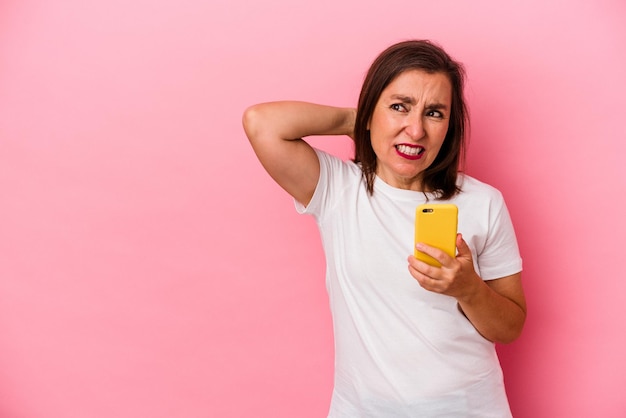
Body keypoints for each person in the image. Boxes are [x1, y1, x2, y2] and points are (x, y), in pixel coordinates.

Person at [242, 40, 526, 418]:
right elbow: (261, 122)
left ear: (449, 126)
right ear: (371, 109)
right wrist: (355, 122)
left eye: (435, 113)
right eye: (398, 107)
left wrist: (469, 289)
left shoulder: (484, 202)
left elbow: (509, 327)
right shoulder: (338, 189)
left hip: (470, 408)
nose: (416, 130)